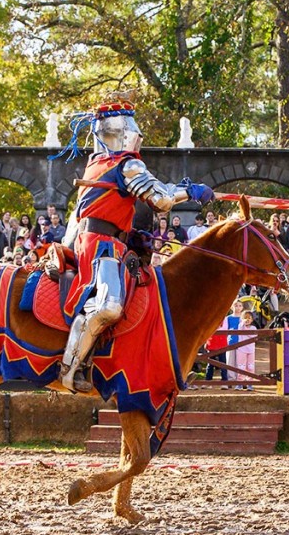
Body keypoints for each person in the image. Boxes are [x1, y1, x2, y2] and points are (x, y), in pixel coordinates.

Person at [54, 99, 214, 392]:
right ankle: (70, 368)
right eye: (133, 128)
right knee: (110, 306)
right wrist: (190, 191)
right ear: (122, 131)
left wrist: (130, 236)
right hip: (101, 246)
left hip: (103, 241)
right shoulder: (126, 163)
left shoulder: (95, 163)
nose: (137, 134)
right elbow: (161, 199)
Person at [233, 310, 257, 390]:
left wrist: (247, 331)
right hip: (241, 349)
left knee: (250, 367)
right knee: (241, 367)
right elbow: (241, 328)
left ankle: (250, 383)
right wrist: (243, 322)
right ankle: (240, 383)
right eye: (245, 318)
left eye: (249, 318)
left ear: (252, 320)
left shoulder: (253, 328)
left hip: (250, 350)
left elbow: (253, 336)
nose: (247, 319)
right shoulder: (240, 326)